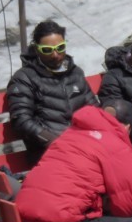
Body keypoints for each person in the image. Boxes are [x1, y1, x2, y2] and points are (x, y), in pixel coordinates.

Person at [7, 20, 98, 164]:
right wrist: (54, 141)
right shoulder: (24, 78)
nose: (56, 54)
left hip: (83, 145)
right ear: (37, 49)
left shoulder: (75, 73)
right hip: (49, 153)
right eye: (47, 50)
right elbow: (21, 120)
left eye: (60, 48)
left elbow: (94, 110)